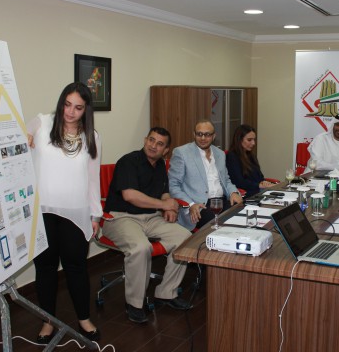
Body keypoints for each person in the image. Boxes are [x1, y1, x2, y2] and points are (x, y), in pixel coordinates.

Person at [27, 82, 101, 343]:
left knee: (76, 267)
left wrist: (96, 215)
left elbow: (93, 179)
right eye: (67, 105)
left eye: (78, 108)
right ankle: (48, 321)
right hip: (43, 211)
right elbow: (16, 143)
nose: (70, 112)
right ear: (61, 103)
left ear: (86, 110)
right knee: (45, 268)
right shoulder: (42, 122)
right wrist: (24, 139)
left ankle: (84, 318)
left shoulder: (92, 136)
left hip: (75, 213)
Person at [102, 127, 192, 324]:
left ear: (166, 150)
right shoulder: (128, 161)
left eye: (160, 144)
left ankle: (166, 293)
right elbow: (130, 196)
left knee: (185, 238)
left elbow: (164, 192)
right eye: (151, 140)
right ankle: (134, 304)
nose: (153, 146)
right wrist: (164, 205)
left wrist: (169, 206)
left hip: (150, 217)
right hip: (120, 217)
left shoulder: (160, 165)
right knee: (141, 247)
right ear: (145, 140)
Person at [168, 119, 243, 230]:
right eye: (199, 134)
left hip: (221, 201)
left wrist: (233, 192)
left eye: (207, 134)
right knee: (220, 226)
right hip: (199, 206)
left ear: (214, 136)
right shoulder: (182, 153)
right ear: (194, 134)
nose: (203, 138)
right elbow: (173, 186)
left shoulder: (220, 154)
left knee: (242, 216)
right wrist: (190, 204)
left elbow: (226, 180)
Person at [226, 124, 274, 197]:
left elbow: (260, 176)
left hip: (258, 190)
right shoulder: (232, 157)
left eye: (254, 139)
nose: (253, 143)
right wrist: (259, 185)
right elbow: (239, 182)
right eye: (249, 140)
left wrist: (264, 182)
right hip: (248, 194)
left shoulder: (251, 155)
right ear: (239, 140)